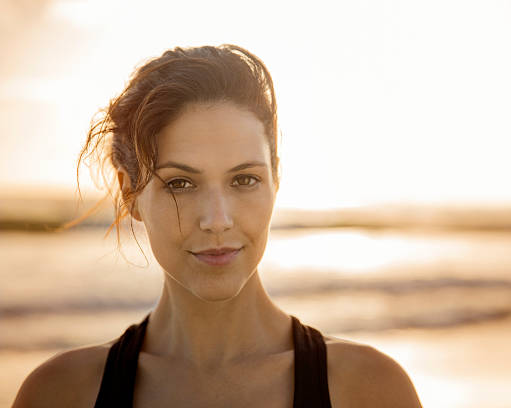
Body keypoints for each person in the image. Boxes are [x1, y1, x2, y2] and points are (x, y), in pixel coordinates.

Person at [12, 44, 422, 408]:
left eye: (244, 180)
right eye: (180, 183)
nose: (217, 220)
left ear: (275, 179)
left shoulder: (368, 390)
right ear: (130, 192)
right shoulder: (61, 394)